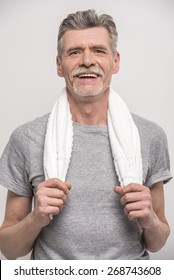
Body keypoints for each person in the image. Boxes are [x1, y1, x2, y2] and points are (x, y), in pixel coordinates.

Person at [0, 9, 172, 260]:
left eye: (99, 50)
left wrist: (150, 220)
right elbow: (8, 249)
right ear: (60, 65)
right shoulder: (26, 139)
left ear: (116, 62)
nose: (87, 61)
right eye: (74, 52)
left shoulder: (149, 136)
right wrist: (36, 218)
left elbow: (157, 242)